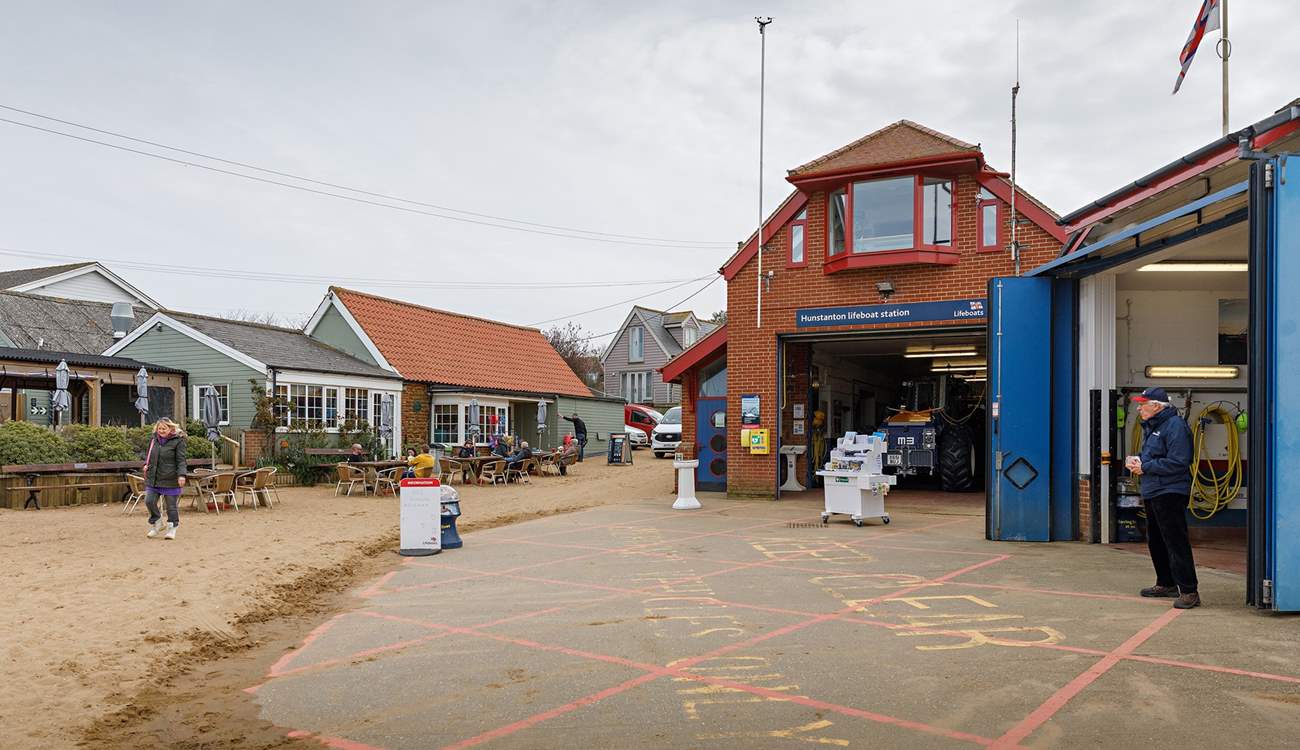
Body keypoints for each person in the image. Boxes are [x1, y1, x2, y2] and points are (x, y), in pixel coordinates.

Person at [1127, 387, 1200, 609]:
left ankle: (1189, 591)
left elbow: (1179, 461)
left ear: (1157, 406)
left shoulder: (1175, 426)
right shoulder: (1154, 426)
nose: (1139, 408)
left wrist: (1146, 467)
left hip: (1170, 491)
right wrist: (1138, 460)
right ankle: (1166, 583)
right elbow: (1154, 456)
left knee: (1175, 541)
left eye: (1143, 404)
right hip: (1153, 490)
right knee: (1156, 540)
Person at [143, 418, 188, 541]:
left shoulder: (178, 441)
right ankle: (157, 522)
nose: (161, 431)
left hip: (171, 478)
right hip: (154, 478)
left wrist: (182, 475)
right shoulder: (153, 440)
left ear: (171, 428)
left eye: (164, 428)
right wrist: (146, 465)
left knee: (171, 507)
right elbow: (149, 455)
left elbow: (181, 460)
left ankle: (172, 528)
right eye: (159, 428)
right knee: (149, 501)